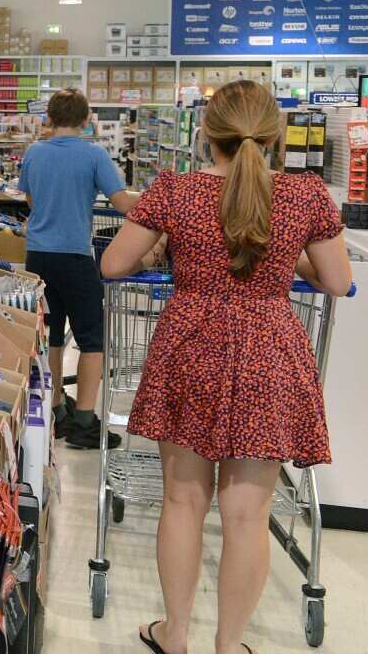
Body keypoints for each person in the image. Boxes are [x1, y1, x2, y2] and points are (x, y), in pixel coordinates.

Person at [101, 80, 352, 654]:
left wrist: (163, 247)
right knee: (247, 515)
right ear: (275, 137)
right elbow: (337, 280)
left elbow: (114, 264)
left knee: (182, 502)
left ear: (204, 135)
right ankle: (229, 644)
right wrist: (294, 267)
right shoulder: (306, 195)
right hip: (270, 348)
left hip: (189, 347)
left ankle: (174, 634)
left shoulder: (175, 190)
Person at [18, 88, 139, 450]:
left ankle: (55, 407)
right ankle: (85, 420)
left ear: (49, 118)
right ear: (87, 120)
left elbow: (29, 197)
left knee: (50, 333)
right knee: (91, 338)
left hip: (37, 256)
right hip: (74, 255)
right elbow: (121, 202)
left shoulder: (34, 152)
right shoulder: (93, 153)